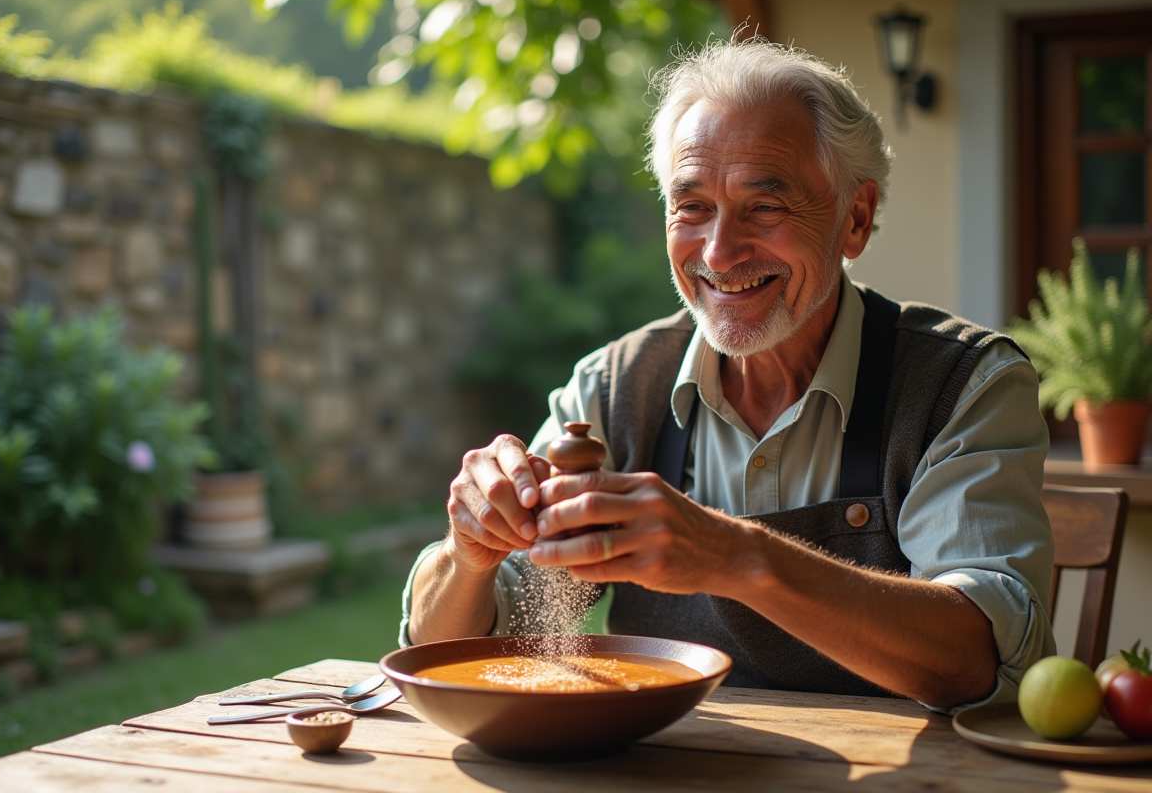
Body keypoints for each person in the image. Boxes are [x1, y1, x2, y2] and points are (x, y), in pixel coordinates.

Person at [401, 39, 1054, 711]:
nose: (718, 252)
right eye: (692, 207)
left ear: (854, 219)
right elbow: (452, 646)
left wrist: (737, 557)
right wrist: (469, 551)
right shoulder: (615, 388)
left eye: (763, 208)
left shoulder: (964, 386)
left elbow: (978, 660)